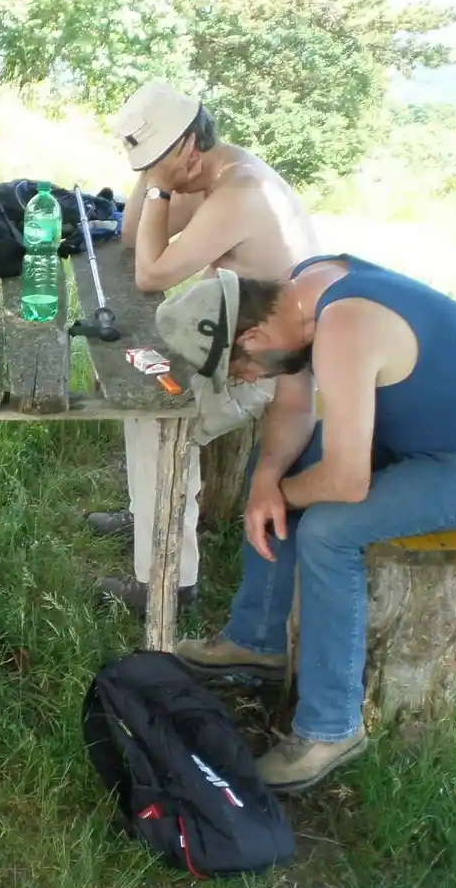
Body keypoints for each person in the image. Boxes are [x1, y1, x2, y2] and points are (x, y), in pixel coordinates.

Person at [153, 254, 456, 793]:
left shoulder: (344, 324)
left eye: (239, 368)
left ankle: (329, 728)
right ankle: (260, 640)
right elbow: (293, 410)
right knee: (279, 469)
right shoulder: (306, 291)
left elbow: (346, 482)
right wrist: (269, 481)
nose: (247, 379)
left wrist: (279, 500)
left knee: (329, 532)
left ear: (249, 336)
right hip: (418, 437)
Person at [89, 79, 319, 615]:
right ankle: (146, 517)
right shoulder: (219, 171)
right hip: (232, 343)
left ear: (189, 148)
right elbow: (131, 235)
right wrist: (155, 179)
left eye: (157, 160)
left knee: (157, 414)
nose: (149, 175)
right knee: (137, 381)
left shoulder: (240, 192)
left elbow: (150, 273)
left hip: (264, 369)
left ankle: (168, 582)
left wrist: (164, 191)